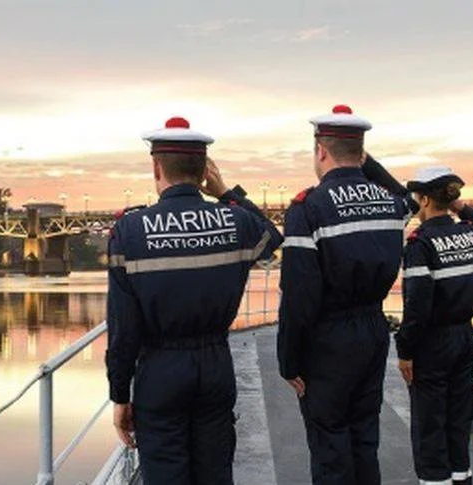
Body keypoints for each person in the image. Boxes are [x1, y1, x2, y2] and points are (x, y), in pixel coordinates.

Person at [106, 116, 283, 484]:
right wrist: (226, 194)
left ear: (156, 166)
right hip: (215, 366)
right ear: (205, 172)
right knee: (215, 473)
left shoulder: (130, 231)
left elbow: (123, 327)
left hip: (160, 370)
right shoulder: (234, 222)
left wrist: (120, 393)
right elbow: (272, 237)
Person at [277, 105, 413, 485]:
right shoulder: (390, 203)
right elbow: (407, 196)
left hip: (328, 340)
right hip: (373, 330)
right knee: (364, 438)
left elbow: (299, 293)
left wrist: (289, 361)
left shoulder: (309, 208)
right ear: (362, 153)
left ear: (320, 150)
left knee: (330, 445)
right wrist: (363, 162)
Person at [396, 167, 473, 485]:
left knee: (430, 424)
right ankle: (461, 479)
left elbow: (417, 307)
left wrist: (405, 350)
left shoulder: (420, 245)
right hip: (465, 337)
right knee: (457, 418)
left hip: (432, 342)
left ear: (424, 199)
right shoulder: (471, 235)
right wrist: (462, 209)